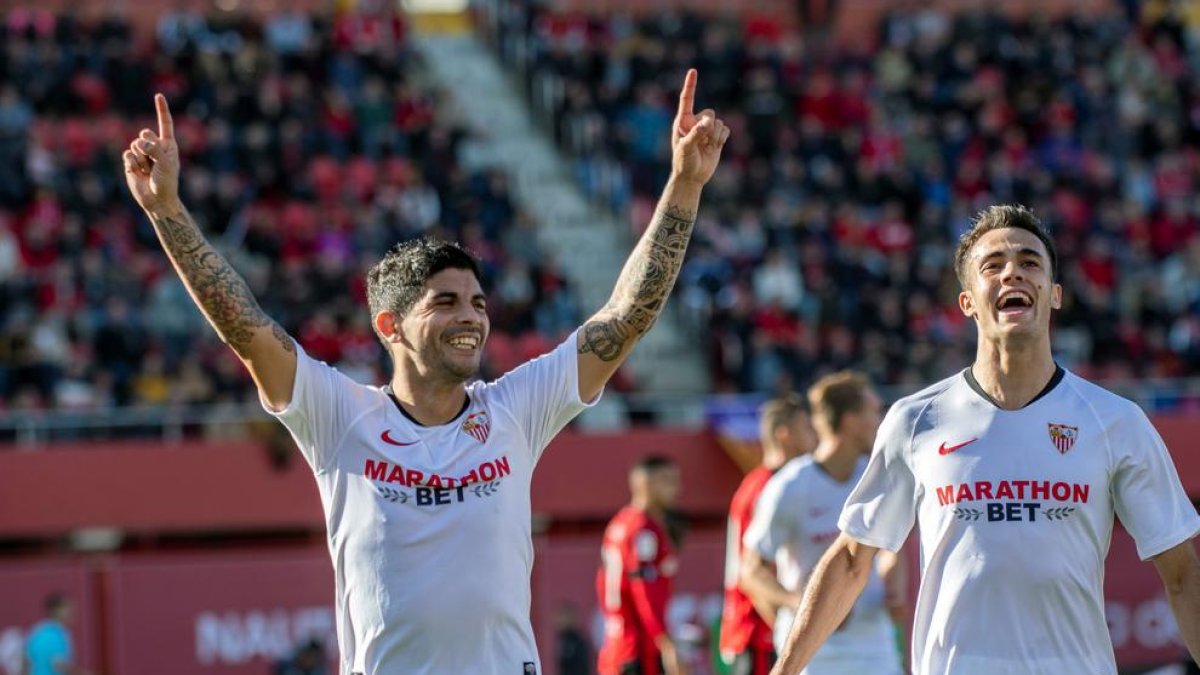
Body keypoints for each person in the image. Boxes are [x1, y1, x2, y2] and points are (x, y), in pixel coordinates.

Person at [121, 69, 728, 674]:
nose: (472, 318)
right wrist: (167, 210)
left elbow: (625, 319)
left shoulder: (514, 411)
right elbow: (244, 326)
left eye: (479, 303)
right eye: (446, 302)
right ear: (390, 327)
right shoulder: (339, 416)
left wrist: (684, 185)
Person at [772, 205, 1200, 675]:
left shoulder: (1116, 422)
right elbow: (854, 559)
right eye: (992, 266)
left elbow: (1182, 575)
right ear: (968, 302)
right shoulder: (915, 420)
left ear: (1054, 295)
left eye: (1030, 262)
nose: (1012, 272)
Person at [744, 372, 905, 674]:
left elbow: (892, 547)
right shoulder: (790, 485)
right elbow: (751, 571)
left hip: (874, 644)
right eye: (873, 412)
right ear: (849, 420)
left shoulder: (875, 476)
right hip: (815, 652)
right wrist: (804, 605)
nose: (880, 421)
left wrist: (893, 577)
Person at [717, 394, 815, 675]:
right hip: (756, 632)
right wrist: (791, 621)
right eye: (806, 428)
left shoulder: (775, 483)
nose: (813, 438)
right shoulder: (766, 488)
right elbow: (751, 575)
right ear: (785, 435)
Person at [597, 455, 685, 675]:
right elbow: (644, 589)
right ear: (647, 484)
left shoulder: (620, 522)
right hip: (640, 648)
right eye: (668, 481)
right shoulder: (643, 529)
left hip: (617, 644)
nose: (677, 488)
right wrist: (665, 642)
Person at [23, 594, 82, 675]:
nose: (72, 612)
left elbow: (25, 662)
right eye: (67, 608)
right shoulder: (53, 635)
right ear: (56, 610)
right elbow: (59, 664)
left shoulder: (39, 631)